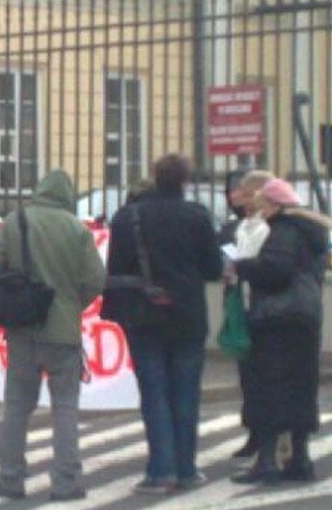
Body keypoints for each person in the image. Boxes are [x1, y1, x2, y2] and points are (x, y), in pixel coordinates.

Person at [0, 170, 106, 501]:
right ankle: (66, 481)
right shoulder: (77, 229)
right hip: (63, 330)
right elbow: (96, 279)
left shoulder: (15, 220)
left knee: (17, 405)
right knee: (65, 406)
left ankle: (10, 478)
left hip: (22, 328)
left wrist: (17, 287)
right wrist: (72, 303)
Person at [104, 155, 222, 495]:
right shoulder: (198, 216)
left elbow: (116, 268)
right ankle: (187, 468)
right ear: (186, 180)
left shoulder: (129, 217)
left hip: (144, 315)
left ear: (154, 177)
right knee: (186, 393)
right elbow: (213, 269)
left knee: (154, 392)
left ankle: (161, 469)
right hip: (188, 315)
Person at [231, 178, 330, 485]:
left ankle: (267, 463)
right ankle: (299, 459)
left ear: (274, 206)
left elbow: (276, 270)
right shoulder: (309, 231)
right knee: (300, 387)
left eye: (261, 206)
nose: (257, 213)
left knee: (269, 388)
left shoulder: (283, 231)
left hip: (277, 317)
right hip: (305, 315)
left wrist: (243, 266)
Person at [220, 170, 274, 461]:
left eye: (240, 190)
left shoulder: (269, 227)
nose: (233, 196)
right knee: (248, 375)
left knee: (262, 375)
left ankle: (268, 438)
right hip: (240, 302)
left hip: (260, 306)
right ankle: (255, 431)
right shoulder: (236, 227)